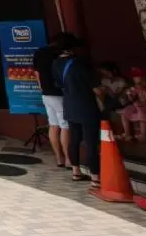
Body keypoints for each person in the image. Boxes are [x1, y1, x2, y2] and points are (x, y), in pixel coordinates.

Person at [52, 34, 101, 187]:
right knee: (91, 142)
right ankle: (95, 177)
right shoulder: (80, 63)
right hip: (86, 106)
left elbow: (58, 84)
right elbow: (96, 89)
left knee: (74, 139)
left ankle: (76, 171)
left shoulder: (55, 63)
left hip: (69, 104)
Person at [34, 33, 70, 168]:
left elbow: (36, 73)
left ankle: (59, 158)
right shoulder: (59, 55)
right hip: (58, 93)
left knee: (53, 125)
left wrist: (42, 87)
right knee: (65, 126)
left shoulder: (39, 53)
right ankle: (68, 159)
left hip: (46, 93)